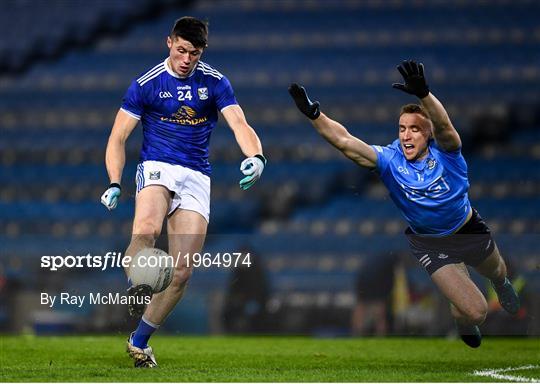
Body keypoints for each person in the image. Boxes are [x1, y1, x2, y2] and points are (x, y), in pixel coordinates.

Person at [288, 60, 520, 348]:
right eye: (402, 128)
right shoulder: (389, 160)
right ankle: (462, 320)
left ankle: (500, 284)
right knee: (475, 311)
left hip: (467, 227)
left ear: (428, 134)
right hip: (430, 243)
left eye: (415, 129)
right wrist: (314, 114)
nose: (406, 135)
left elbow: (446, 126)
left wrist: (424, 94)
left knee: (497, 271)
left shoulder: (447, 154)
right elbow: (345, 141)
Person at [100, 16, 266, 367]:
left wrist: (256, 156)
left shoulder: (215, 82)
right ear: (168, 43)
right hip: (157, 166)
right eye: (181, 50)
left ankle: (140, 341)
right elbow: (117, 137)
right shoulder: (146, 84)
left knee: (182, 273)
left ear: (202, 50)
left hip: (196, 176)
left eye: (194, 52)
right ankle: (138, 282)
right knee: (146, 228)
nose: (187, 58)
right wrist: (115, 181)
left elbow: (240, 123)